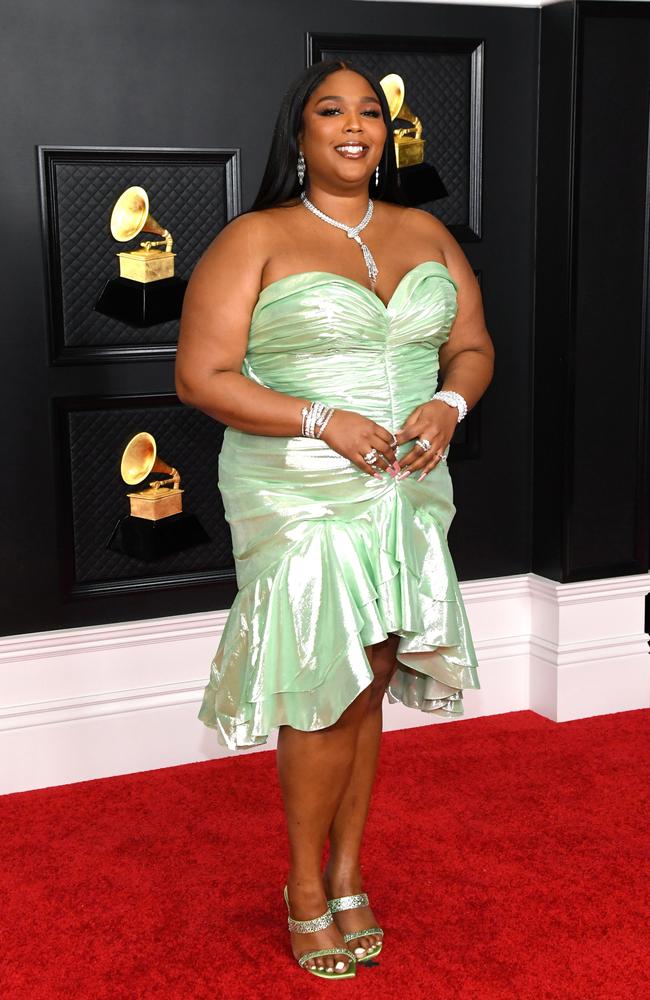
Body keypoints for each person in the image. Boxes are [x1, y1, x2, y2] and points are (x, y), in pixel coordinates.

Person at [175, 59, 494, 981]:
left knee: (374, 670)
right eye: (331, 110)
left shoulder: (425, 230)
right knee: (322, 681)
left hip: (405, 483)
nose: (355, 126)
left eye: (370, 113)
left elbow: (471, 345)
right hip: (298, 485)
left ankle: (349, 873)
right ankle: (303, 889)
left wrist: (450, 407)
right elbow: (201, 377)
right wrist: (322, 418)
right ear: (300, 132)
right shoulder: (257, 237)